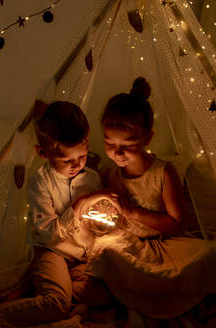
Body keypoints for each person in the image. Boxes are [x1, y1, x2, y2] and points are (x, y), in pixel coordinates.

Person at [76, 77, 216, 320]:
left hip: (167, 243)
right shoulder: (111, 173)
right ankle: (126, 293)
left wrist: (132, 212)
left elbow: (178, 225)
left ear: (147, 138)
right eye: (110, 143)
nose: (117, 152)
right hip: (132, 245)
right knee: (104, 247)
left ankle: (161, 296)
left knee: (210, 254)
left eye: (128, 145)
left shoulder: (163, 171)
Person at [0, 101, 112, 328]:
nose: (76, 164)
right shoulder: (40, 183)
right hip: (51, 252)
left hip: (79, 256)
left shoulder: (91, 178)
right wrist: (78, 206)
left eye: (82, 156)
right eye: (67, 160)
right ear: (43, 153)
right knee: (57, 304)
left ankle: (49, 286)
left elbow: (96, 222)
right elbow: (49, 234)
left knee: (109, 295)